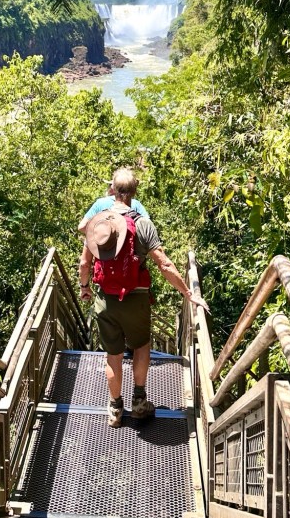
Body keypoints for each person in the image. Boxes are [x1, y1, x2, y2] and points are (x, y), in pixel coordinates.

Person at [77, 167, 208, 427]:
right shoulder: (142, 223)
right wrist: (188, 293)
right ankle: (139, 401)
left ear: (112, 190)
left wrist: (84, 287)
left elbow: (84, 263)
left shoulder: (98, 223)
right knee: (141, 346)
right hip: (136, 299)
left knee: (112, 355)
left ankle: (115, 409)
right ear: (135, 193)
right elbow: (165, 264)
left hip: (105, 300)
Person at [78, 172, 148, 235]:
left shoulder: (100, 203)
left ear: (113, 188)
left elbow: (82, 227)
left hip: (106, 247)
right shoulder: (136, 204)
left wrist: (100, 236)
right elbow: (147, 227)